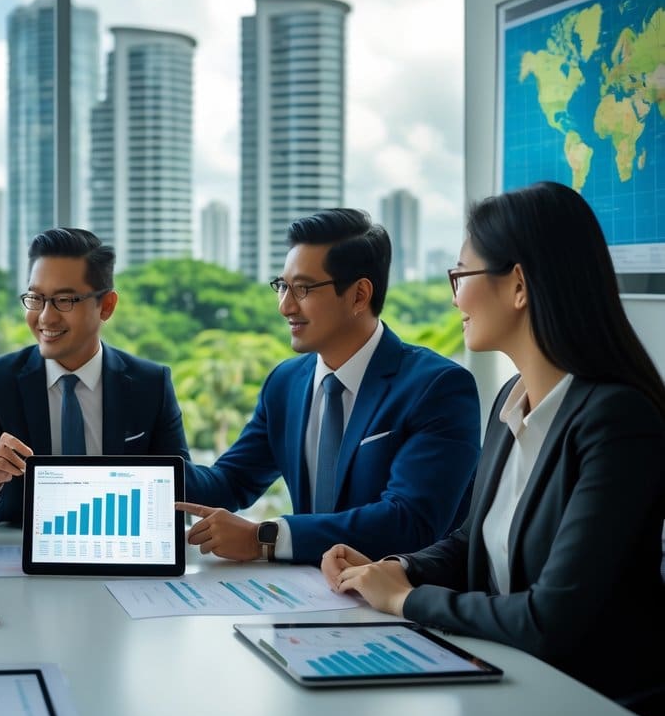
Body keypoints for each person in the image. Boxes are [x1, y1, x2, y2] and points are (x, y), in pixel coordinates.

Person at [322, 182, 665, 716]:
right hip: (510, 685)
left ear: (519, 286)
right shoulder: (510, 398)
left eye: (461, 275)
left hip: (595, 713)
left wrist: (403, 600)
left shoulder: (616, 422)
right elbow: (472, 541)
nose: (454, 296)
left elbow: (550, 618)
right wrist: (394, 568)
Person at [176, 208, 481, 565]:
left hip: (399, 603)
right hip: (308, 596)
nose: (285, 306)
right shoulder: (285, 383)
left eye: (303, 288)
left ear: (359, 295)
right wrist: (142, 468)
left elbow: (410, 521)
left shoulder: (437, 387)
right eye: (282, 286)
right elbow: (229, 483)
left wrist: (266, 537)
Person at [0, 227, 190, 525]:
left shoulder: (150, 383)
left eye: (65, 300)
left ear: (107, 306)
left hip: (121, 553)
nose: (46, 317)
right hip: (22, 559)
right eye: (36, 299)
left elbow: (181, 488)